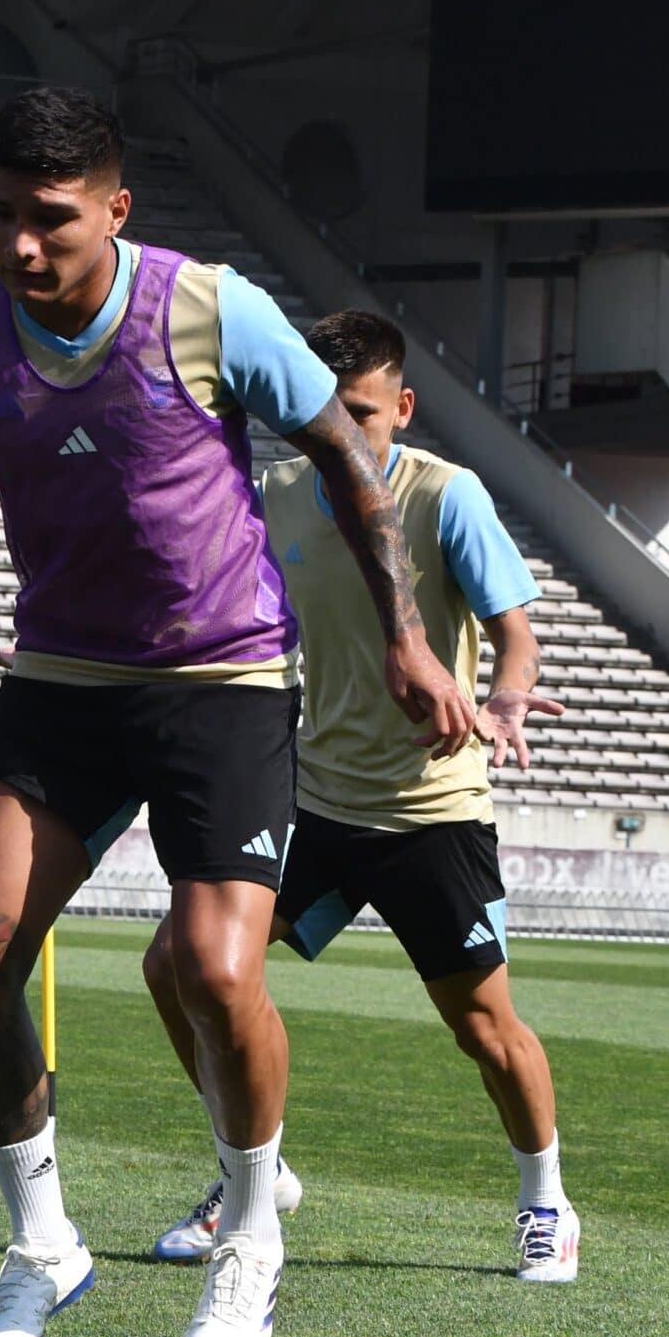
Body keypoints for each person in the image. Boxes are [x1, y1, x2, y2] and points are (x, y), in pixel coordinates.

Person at [0, 87, 475, 1337]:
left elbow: (349, 463)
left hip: (224, 677)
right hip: (62, 681)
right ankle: (42, 1241)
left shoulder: (208, 308)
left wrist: (407, 635)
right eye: (0, 213)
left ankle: (250, 1229)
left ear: (117, 211)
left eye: (53, 221)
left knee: (210, 960)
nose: (22, 246)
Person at [141, 309, 578, 1283]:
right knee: (177, 965)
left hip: (431, 808)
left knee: (484, 1029)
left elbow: (517, 635)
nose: (342, 430)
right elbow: (204, 600)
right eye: (321, 413)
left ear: (402, 408)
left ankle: (545, 1202)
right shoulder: (280, 491)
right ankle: (253, 1172)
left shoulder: (446, 496)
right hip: (315, 804)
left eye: (362, 412)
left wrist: (505, 694)